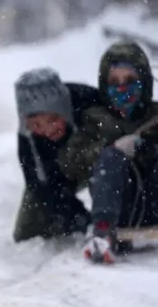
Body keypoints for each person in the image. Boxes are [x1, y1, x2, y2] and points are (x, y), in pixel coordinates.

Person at [56, 41, 158, 264]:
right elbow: (69, 163)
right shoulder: (96, 120)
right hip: (117, 209)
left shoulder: (155, 115)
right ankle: (102, 236)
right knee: (111, 158)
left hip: (154, 200)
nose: (122, 88)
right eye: (115, 82)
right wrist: (110, 150)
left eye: (130, 81)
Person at [12, 68, 103, 243]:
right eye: (36, 125)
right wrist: (78, 217)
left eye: (53, 120)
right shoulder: (28, 138)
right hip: (60, 172)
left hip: (98, 160)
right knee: (26, 232)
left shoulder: (90, 102)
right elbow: (39, 185)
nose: (47, 130)